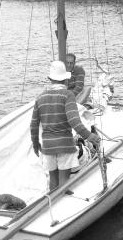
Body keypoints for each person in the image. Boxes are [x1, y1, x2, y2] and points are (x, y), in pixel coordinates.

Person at [30, 60, 101, 191]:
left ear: (50, 79)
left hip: (48, 146)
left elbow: (34, 125)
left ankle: (52, 202)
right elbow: (74, 120)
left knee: (53, 180)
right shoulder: (67, 95)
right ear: (65, 80)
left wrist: (35, 144)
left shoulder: (40, 98)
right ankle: (61, 203)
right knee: (64, 181)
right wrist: (89, 136)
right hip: (65, 144)